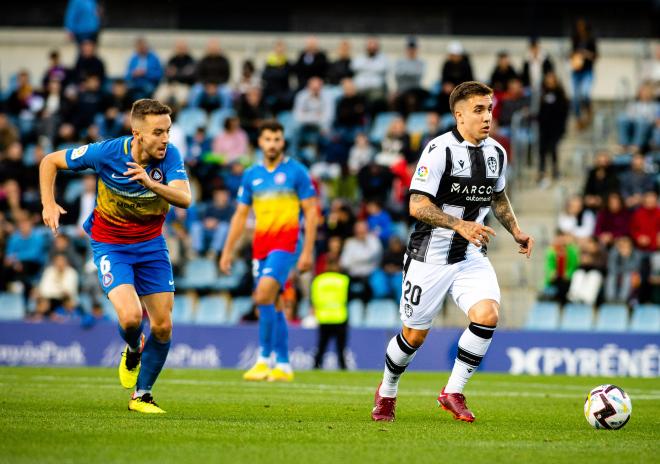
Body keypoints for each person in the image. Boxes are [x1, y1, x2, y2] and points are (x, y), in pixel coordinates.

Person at [371, 81, 534, 423]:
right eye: (478, 110)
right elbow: (417, 205)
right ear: (459, 115)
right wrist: (458, 224)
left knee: (488, 315)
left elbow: (498, 197)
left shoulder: (497, 153)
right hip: (429, 253)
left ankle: (453, 391)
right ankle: (387, 390)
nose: (487, 116)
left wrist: (516, 230)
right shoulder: (439, 150)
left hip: (470, 254)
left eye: (489, 108)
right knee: (414, 336)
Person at [39, 99, 192, 413]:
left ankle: (142, 396)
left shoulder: (170, 157)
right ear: (137, 133)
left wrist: (150, 182)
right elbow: (49, 161)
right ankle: (134, 347)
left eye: (168, 131)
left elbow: (185, 198)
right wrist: (48, 204)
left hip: (151, 245)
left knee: (162, 326)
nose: (165, 139)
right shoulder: (107, 153)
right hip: (111, 244)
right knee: (131, 317)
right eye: (158, 132)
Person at [220, 120, 318, 382]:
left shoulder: (297, 171)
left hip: (287, 243)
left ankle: (263, 359)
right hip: (260, 245)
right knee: (271, 302)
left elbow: (311, 212)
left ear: (283, 141)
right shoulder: (252, 174)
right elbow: (240, 215)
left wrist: (308, 251)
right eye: (268, 139)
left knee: (263, 294)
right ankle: (283, 364)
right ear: (260, 142)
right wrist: (227, 251)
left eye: (277, 139)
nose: (272, 144)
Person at [311, 258, 350, 370]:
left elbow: (314, 299)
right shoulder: (343, 280)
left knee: (321, 346)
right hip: (339, 317)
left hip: (324, 318)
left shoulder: (318, 280)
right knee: (341, 348)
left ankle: (316, 367)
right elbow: (348, 297)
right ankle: (343, 368)